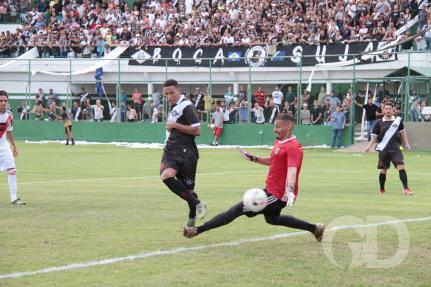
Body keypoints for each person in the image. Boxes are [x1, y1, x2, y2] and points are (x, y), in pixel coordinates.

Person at [183, 113, 325, 240]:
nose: (274, 130)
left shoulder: (293, 147)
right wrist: (253, 158)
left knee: (238, 209)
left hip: (279, 195)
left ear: (288, 128)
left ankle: (196, 230)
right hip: (271, 189)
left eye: (278, 127)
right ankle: (315, 229)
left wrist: (290, 190)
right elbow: (272, 161)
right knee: (272, 220)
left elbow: (292, 170)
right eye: (274, 126)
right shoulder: (280, 141)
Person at [160, 79, 207, 228]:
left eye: (172, 92)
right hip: (171, 150)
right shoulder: (174, 107)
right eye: (166, 94)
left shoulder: (187, 106)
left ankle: (192, 216)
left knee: (188, 191)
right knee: (166, 175)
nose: (169, 96)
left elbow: (197, 130)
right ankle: (197, 203)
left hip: (187, 153)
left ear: (179, 90)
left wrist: (175, 125)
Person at [364, 102, 412, 195]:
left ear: (393, 110)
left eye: (390, 109)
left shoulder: (398, 120)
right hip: (383, 150)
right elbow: (374, 137)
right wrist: (368, 147)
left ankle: (406, 189)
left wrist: (407, 144)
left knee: (401, 167)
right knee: (383, 170)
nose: (388, 110)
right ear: (383, 110)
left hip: (396, 149)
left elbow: (403, 133)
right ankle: (382, 189)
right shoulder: (378, 122)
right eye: (386, 109)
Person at [0, 90, 25, 205]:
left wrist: (14, 146)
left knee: (12, 169)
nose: (3, 103)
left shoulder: (9, 115)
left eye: (5, 100)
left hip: (4, 146)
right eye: (1, 101)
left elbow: (9, 131)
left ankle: (14, 198)